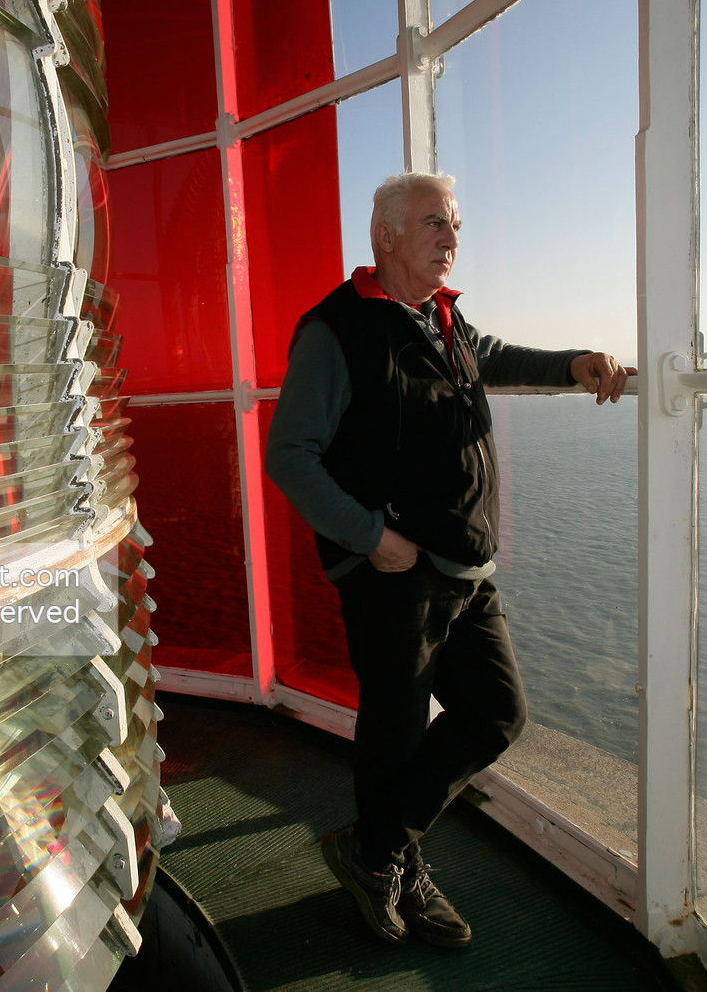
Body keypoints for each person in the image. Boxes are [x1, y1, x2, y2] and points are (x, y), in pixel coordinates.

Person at [263, 171, 634, 948]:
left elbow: (494, 354)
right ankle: (389, 857)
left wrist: (574, 364)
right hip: (395, 569)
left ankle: (379, 850)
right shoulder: (337, 330)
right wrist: (371, 538)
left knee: (497, 714)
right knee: (395, 727)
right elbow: (291, 456)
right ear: (388, 235)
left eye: (456, 224)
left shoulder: (443, 320)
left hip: (466, 571)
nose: (452, 237)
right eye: (436, 222)